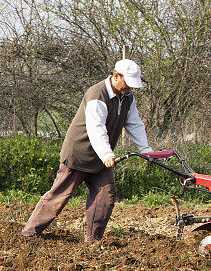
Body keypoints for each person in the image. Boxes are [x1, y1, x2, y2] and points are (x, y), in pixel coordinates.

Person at [21, 59, 153, 242]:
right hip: (79, 153)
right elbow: (96, 128)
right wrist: (107, 154)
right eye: (128, 83)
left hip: (100, 159)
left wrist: (146, 150)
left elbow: (135, 124)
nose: (130, 88)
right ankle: (29, 234)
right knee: (60, 195)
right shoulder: (97, 94)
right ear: (116, 76)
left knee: (105, 197)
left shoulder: (127, 97)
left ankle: (93, 241)